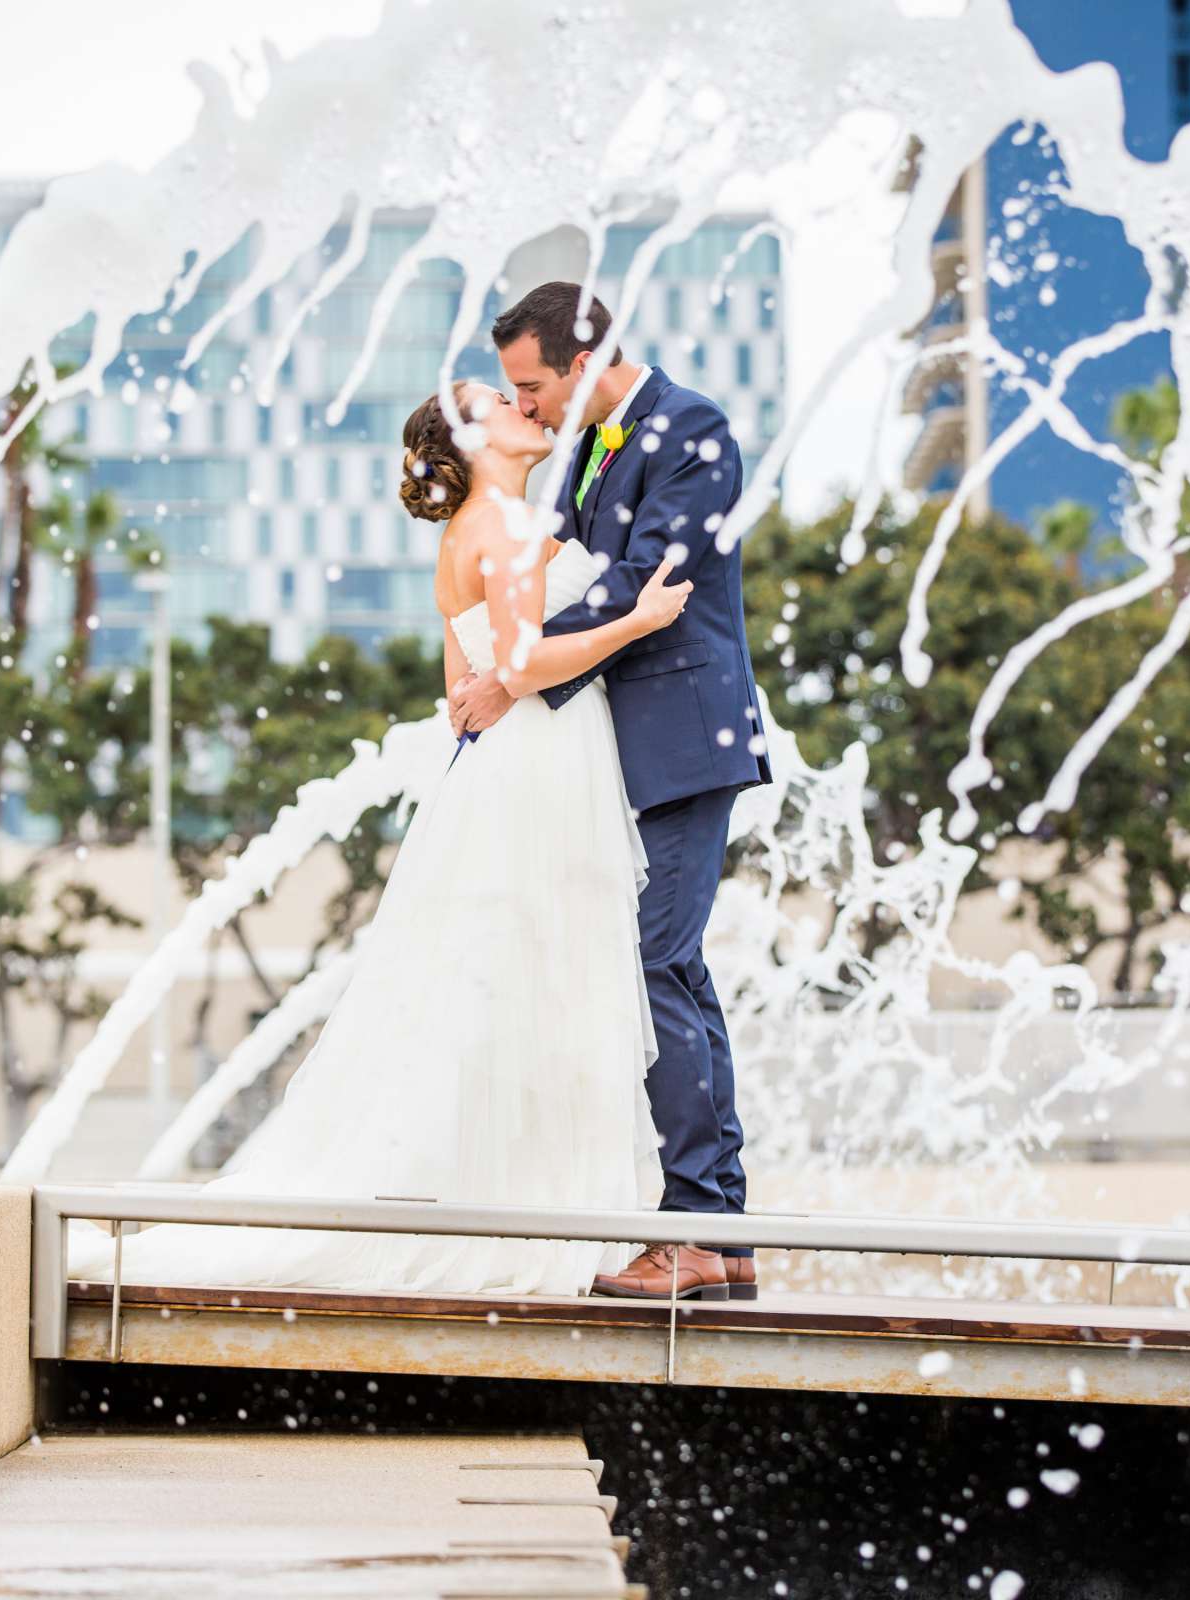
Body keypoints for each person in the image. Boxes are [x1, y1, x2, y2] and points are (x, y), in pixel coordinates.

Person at [72, 379, 697, 1297]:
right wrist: (638, 621)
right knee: (536, 976)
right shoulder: (511, 529)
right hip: (540, 765)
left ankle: (500, 1203)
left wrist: (502, 684)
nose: (526, 408)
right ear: (471, 443)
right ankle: (532, 1216)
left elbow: (463, 679)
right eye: (500, 404)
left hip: (499, 764)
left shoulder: (469, 533)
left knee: (492, 979)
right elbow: (521, 664)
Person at [451, 282, 772, 1302]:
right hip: (634, 742)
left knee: (654, 963)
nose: (530, 406)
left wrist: (518, 669)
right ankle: (717, 1230)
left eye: (533, 384)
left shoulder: (693, 426)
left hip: (685, 736)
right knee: (670, 969)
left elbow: (647, 584)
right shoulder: (595, 445)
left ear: (587, 358)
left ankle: (695, 1231)